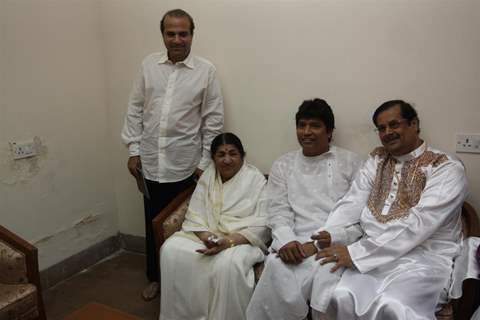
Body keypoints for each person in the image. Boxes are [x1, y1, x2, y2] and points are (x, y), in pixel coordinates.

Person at [316, 100, 468, 319]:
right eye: (382, 128)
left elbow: (419, 223)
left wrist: (357, 253)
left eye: (394, 125)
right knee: (341, 295)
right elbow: (352, 202)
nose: (388, 132)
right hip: (375, 257)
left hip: (426, 259)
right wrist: (328, 234)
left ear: (414, 124)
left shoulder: (445, 167)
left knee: (392, 305)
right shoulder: (377, 160)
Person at [121, 9, 224, 300]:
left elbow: (213, 120)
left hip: (186, 167)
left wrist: (205, 162)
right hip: (151, 164)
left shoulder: (206, 71)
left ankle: (186, 283)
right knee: (153, 223)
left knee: (186, 228)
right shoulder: (148, 66)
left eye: (183, 33)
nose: (177, 39)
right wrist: (133, 150)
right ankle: (156, 277)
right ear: (163, 35)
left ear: (192, 34)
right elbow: (135, 108)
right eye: (171, 33)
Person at [246, 99, 363, 320]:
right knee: (276, 267)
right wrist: (287, 242)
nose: (306, 132)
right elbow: (278, 210)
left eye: (315, 126)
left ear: (329, 131)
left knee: (330, 285)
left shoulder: (351, 163)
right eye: (302, 125)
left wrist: (319, 244)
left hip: (335, 242)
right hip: (293, 244)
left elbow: (358, 216)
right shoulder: (283, 164)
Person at [159, 133, 269, 320]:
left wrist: (228, 241)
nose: (227, 160)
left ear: (243, 155)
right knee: (170, 249)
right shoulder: (207, 177)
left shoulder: (256, 180)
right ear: (213, 158)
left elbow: (264, 223)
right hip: (207, 233)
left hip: (241, 239)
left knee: (229, 265)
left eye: (233, 154)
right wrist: (206, 237)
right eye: (221, 154)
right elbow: (195, 213)